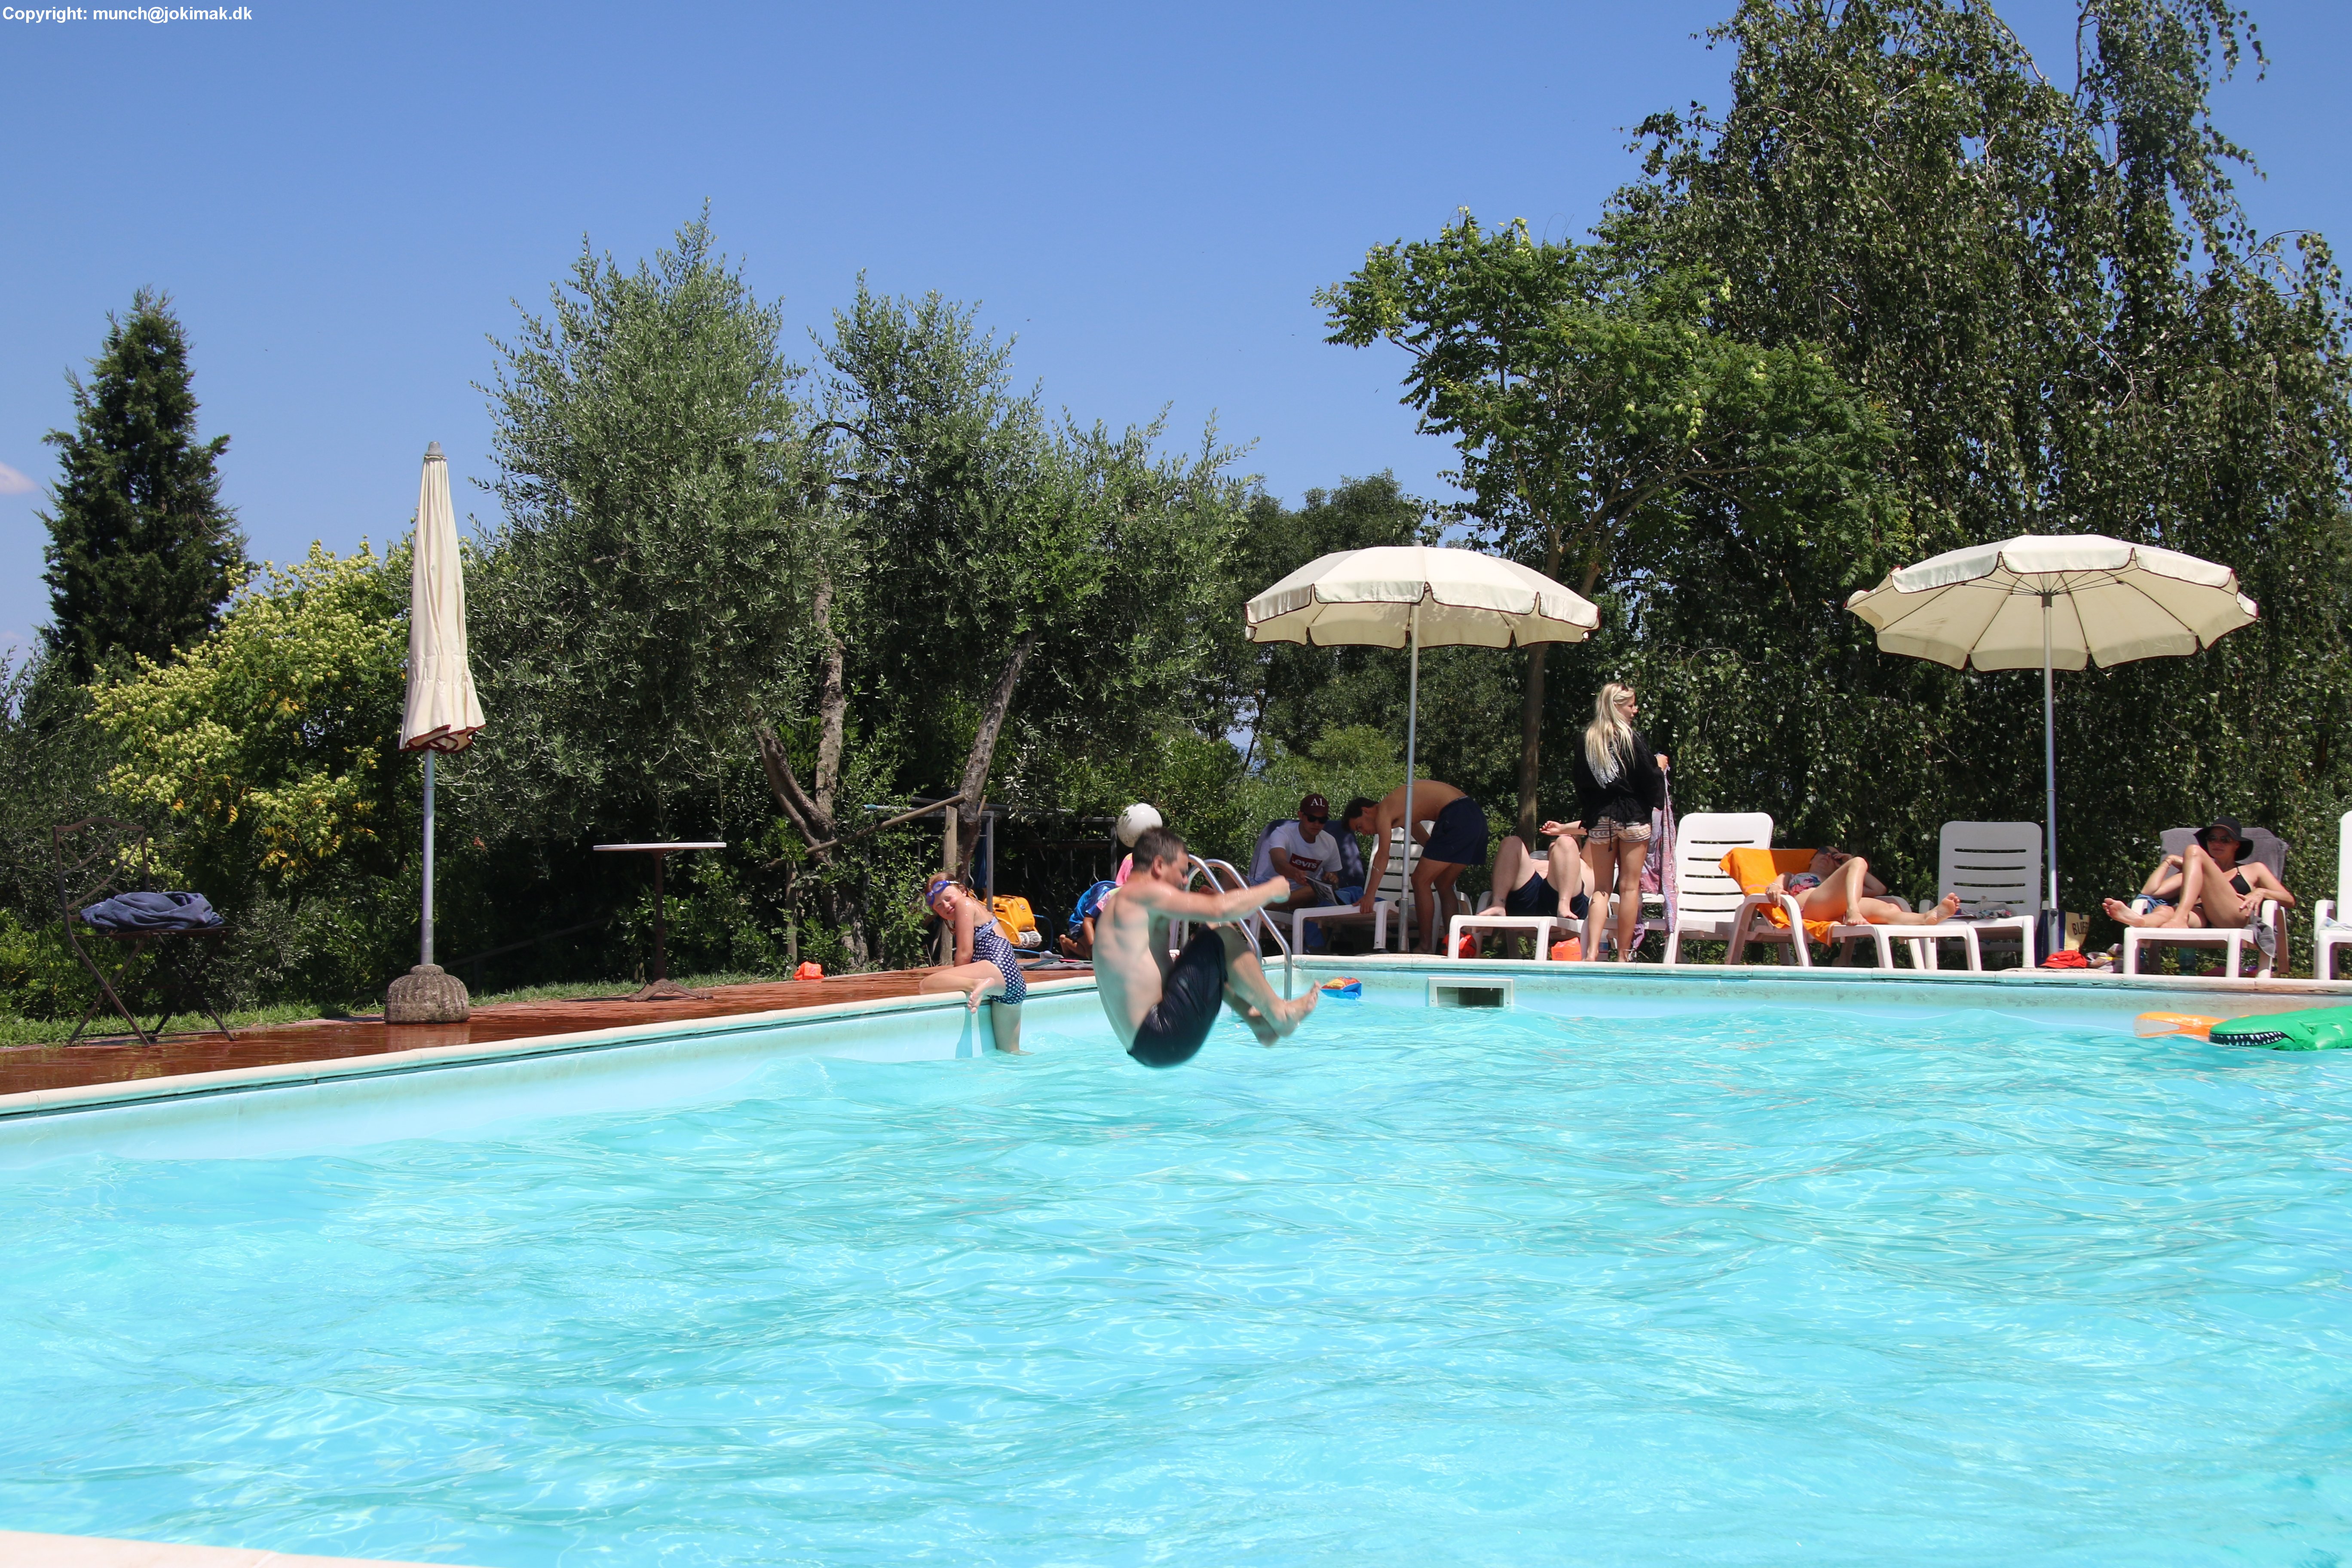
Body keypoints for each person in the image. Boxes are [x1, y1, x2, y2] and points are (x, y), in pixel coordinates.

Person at [1092, 824, 1319, 1067]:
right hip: (1162, 1033)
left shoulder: (1118, 905)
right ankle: (1279, 1013)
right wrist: (1272, 889)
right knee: (1221, 935)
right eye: (1182, 872)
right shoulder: (1143, 892)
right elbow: (1220, 910)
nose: (1184, 880)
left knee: (1205, 947)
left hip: (1143, 1046)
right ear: (1158, 865)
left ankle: (1259, 1024)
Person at [1571, 683, 1670, 962]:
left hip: (1601, 819)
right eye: (1631, 705)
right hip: (1632, 818)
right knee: (1629, 888)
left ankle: (1591, 953)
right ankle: (1624, 956)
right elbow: (1648, 779)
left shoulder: (1587, 740)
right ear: (1617, 707)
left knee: (1602, 889)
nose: (1635, 710)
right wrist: (1659, 767)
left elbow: (1580, 782)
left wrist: (1592, 812)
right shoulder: (1631, 739)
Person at [2104, 818, 2293, 942]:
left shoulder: (2254, 869)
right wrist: (2169, 861)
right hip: (2201, 917)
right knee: (2164, 910)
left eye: (2225, 840)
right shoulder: (2195, 871)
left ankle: (2179, 918)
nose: (2217, 843)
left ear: (2236, 845)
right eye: (2212, 839)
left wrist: (2261, 892)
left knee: (2193, 852)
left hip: (2234, 915)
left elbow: (2289, 900)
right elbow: (2151, 892)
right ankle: (2140, 921)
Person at [1355, 779, 1487, 954]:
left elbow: (1383, 855)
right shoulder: (1404, 808)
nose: (1364, 833)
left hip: (1457, 815)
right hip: (1475, 817)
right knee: (1443, 883)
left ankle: (1425, 946)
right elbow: (1429, 844)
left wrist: (1369, 895)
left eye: (1360, 826)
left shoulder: (1384, 811)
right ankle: (1454, 944)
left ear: (1366, 811)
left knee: (1419, 880)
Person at [917, 876, 1027, 1053]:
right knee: (1011, 1054)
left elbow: (964, 953)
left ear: (963, 891)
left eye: (948, 898)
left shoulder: (965, 904)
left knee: (926, 985)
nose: (946, 906)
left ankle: (977, 984)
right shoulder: (979, 908)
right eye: (939, 906)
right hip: (1015, 984)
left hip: (997, 968)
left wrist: (957, 980)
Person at [1765, 847, 1961, 932]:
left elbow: (1878, 889)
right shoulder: (1794, 875)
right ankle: (1854, 910)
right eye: (1824, 852)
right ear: (1811, 860)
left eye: (1835, 856)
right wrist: (1775, 888)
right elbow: (1776, 884)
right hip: (1809, 908)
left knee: (1890, 908)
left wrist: (1848, 863)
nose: (1829, 856)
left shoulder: (1844, 886)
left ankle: (1926, 918)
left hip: (1837, 909)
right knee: (1860, 861)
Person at [1490, 819, 1595, 946]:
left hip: (1568, 907)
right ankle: (1498, 905)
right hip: (1526, 904)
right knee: (1512, 842)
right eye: (1555, 839)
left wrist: (1563, 828)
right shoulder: (1535, 861)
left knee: (1565, 843)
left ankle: (1564, 905)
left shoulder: (1587, 862)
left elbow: (1600, 826)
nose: (1557, 843)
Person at [1262, 794, 1347, 919]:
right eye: (1312, 819)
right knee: (1231, 875)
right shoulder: (1283, 833)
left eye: (1322, 820)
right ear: (1301, 815)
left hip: (1300, 896)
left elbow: (1333, 884)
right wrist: (1295, 873)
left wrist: (1331, 880)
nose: (1317, 824)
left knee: (1316, 890)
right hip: (1267, 886)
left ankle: (1262, 908)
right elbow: (1278, 862)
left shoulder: (1330, 842)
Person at [1059, 877, 1118, 960]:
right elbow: (1087, 922)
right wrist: (1094, 949)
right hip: (1080, 922)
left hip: (1098, 923)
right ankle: (1066, 941)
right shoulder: (1105, 894)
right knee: (1092, 956)